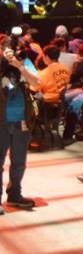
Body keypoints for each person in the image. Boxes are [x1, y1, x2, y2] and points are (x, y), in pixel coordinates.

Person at [0, 43, 40, 211]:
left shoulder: (23, 63)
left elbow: (36, 83)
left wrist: (19, 66)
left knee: (19, 163)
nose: (8, 52)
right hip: (2, 121)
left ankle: (14, 195)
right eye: (4, 49)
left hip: (21, 121)